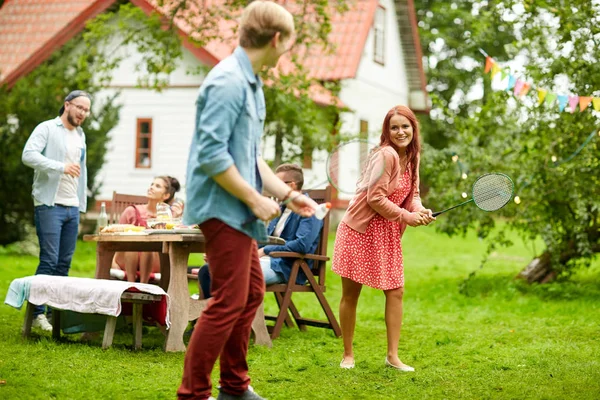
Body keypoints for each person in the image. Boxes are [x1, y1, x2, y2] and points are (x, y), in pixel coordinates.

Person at [177, 3, 318, 400]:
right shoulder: (227, 82)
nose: (287, 50)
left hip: (238, 206)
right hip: (221, 207)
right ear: (277, 39)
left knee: (251, 294)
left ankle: (235, 387)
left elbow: (251, 157)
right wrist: (256, 200)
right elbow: (212, 154)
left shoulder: (252, 83)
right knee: (227, 301)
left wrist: (289, 195)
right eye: (289, 42)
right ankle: (194, 394)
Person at [332, 105, 435, 371]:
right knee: (351, 294)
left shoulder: (412, 157)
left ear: (414, 128)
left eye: (405, 126)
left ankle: (392, 356)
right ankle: (348, 354)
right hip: (360, 230)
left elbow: (412, 194)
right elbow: (374, 198)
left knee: (396, 291)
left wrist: (419, 210)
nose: (401, 132)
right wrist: (406, 217)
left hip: (386, 232)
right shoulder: (385, 155)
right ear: (387, 132)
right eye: (394, 127)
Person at [196, 163, 323, 298]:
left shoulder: (311, 211)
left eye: (277, 184)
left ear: (291, 185)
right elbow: (263, 239)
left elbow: (302, 245)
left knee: (235, 277)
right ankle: (216, 316)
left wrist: (265, 250)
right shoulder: (281, 208)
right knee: (207, 270)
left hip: (286, 267)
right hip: (264, 261)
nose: (274, 190)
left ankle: (228, 316)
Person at [21, 90, 92, 331]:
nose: (83, 113)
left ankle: (56, 314)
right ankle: (36, 313)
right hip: (49, 204)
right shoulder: (47, 128)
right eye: (79, 107)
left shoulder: (81, 135)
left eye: (86, 110)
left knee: (64, 263)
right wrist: (60, 167)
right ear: (67, 105)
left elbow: (81, 172)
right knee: (49, 261)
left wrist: (81, 202)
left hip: (72, 206)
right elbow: (28, 155)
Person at [110, 176, 182, 283]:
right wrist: (112, 262)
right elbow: (115, 239)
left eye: (157, 186)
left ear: (166, 195)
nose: (151, 187)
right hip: (126, 259)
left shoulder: (168, 216)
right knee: (133, 243)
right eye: (151, 184)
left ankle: (143, 284)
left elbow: (173, 244)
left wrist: (175, 219)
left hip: (154, 261)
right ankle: (131, 284)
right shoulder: (131, 211)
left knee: (149, 247)